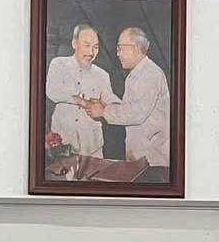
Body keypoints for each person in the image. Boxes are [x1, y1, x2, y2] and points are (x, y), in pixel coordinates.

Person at [81, 27, 171, 167]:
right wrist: (105, 105)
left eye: (120, 48)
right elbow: (130, 107)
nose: (117, 54)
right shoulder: (137, 74)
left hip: (154, 160)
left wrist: (104, 111)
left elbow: (136, 113)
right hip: (141, 157)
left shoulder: (150, 74)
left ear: (135, 49)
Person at [44, 25, 112, 158]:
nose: (91, 52)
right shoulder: (59, 64)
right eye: (87, 46)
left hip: (92, 146)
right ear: (74, 44)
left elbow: (109, 98)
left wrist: (120, 107)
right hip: (63, 143)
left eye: (96, 47)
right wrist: (80, 100)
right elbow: (52, 91)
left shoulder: (103, 75)